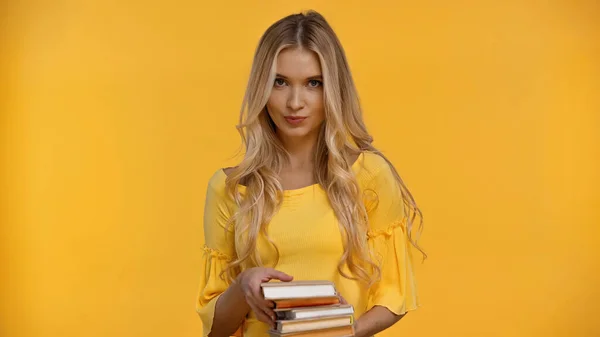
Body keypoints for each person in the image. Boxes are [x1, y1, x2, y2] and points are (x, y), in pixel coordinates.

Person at [196, 10, 426, 337]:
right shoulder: (232, 188)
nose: (294, 102)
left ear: (333, 88)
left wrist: (342, 332)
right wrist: (242, 287)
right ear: (262, 87)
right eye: (280, 82)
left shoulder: (368, 175)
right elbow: (216, 329)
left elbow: (394, 296)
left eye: (313, 84)